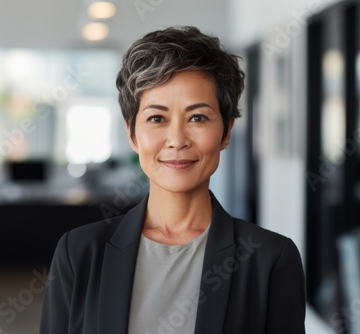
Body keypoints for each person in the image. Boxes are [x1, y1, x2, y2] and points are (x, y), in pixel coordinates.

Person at [40, 26, 306, 334]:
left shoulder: (270, 259)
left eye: (197, 117)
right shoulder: (80, 252)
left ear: (227, 131)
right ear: (131, 133)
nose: (177, 140)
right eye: (157, 118)